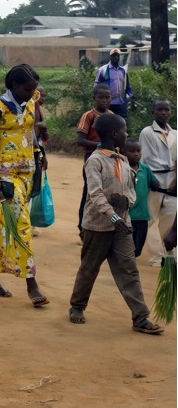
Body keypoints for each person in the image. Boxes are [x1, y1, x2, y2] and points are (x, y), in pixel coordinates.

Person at [68, 113, 163, 334]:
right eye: (124, 130)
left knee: (129, 270)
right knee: (89, 268)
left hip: (122, 227)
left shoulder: (122, 161)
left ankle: (140, 318)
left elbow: (130, 192)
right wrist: (113, 216)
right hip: (98, 226)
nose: (127, 134)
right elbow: (95, 193)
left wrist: (125, 204)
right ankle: (77, 306)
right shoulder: (95, 160)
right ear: (114, 134)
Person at [0, 64, 48, 304]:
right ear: (13, 86)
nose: (31, 93)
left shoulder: (32, 101)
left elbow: (32, 132)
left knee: (4, 223)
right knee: (21, 224)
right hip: (6, 174)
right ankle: (32, 285)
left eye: (33, 89)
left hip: (28, 170)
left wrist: (41, 152)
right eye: (26, 89)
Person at [139, 99, 177, 267]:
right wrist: (150, 180)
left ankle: (169, 253)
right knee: (150, 220)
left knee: (170, 217)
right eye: (159, 110)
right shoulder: (147, 132)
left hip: (172, 181)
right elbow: (146, 158)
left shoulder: (175, 134)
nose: (163, 112)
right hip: (153, 178)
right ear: (153, 112)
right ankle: (156, 258)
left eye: (166, 109)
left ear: (171, 112)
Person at [76, 84, 114, 230]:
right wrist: (100, 145)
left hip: (109, 159)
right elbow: (80, 140)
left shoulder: (111, 116)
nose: (104, 100)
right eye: (101, 97)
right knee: (90, 192)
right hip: (91, 158)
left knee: (106, 192)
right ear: (94, 98)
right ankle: (82, 226)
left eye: (107, 97)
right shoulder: (89, 116)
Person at [123, 139, 164, 258]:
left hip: (141, 214)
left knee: (139, 244)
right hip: (126, 215)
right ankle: (126, 262)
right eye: (131, 151)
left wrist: (156, 183)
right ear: (123, 152)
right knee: (125, 242)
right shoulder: (121, 167)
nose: (136, 154)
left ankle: (133, 258)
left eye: (138, 151)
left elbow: (154, 183)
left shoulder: (145, 169)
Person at [95, 48, 134, 119]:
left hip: (121, 103)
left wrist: (132, 97)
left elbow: (128, 86)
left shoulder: (123, 71)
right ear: (110, 57)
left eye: (117, 56)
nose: (116, 57)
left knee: (122, 124)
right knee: (108, 124)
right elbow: (97, 85)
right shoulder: (103, 70)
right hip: (108, 104)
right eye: (113, 56)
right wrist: (98, 99)